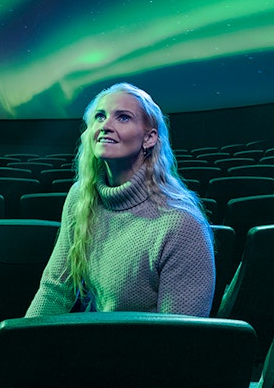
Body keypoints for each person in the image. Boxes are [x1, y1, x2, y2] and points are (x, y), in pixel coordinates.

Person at [26, 82, 215, 317]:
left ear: (149, 138)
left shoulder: (182, 225)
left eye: (123, 118)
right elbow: (56, 289)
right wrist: (20, 346)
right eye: (100, 116)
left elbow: (177, 341)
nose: (106, 125)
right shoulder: (80, 196)